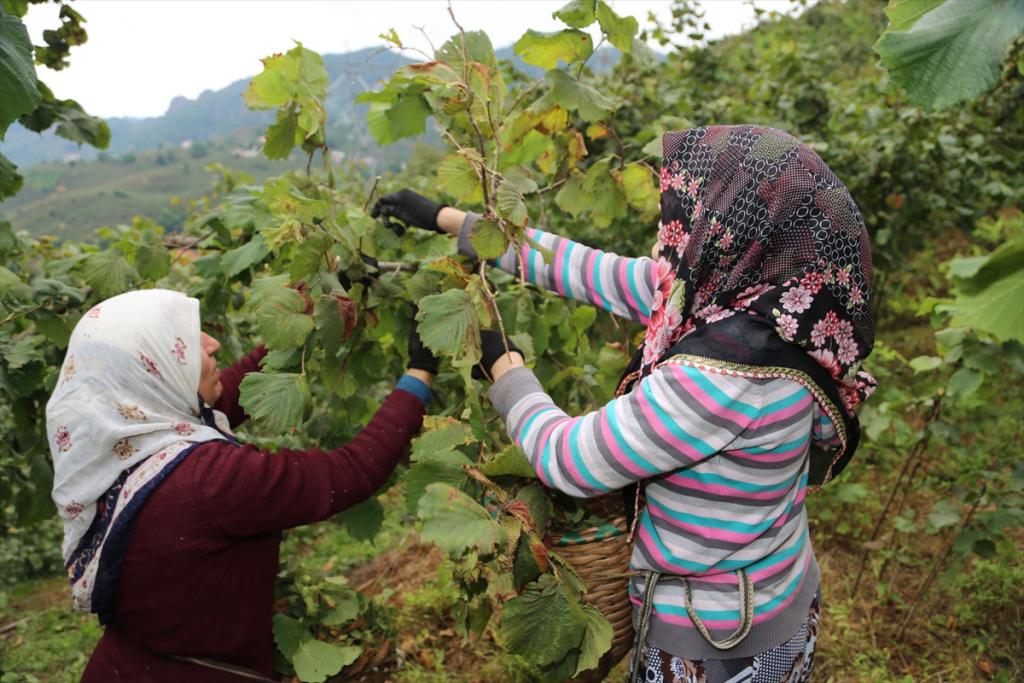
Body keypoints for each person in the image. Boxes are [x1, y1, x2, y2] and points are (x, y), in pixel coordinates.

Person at [373, 125, 876, 682]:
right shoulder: (781, 310)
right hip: (780, 591)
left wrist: (504, 367)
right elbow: (591, 271)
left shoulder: (726, 378)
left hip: (717, 642)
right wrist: (450, 220)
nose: (682, 226)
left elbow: (571, 461)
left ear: (733, 226)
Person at [47, 288, 437, 682]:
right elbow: (351, 471)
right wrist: (419, 373)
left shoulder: (121, 442)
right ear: (156, 368)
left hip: (124, 666)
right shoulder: (211, 480)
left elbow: (227, 396)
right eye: (186, 341)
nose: (213, 343)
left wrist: (306, 319)